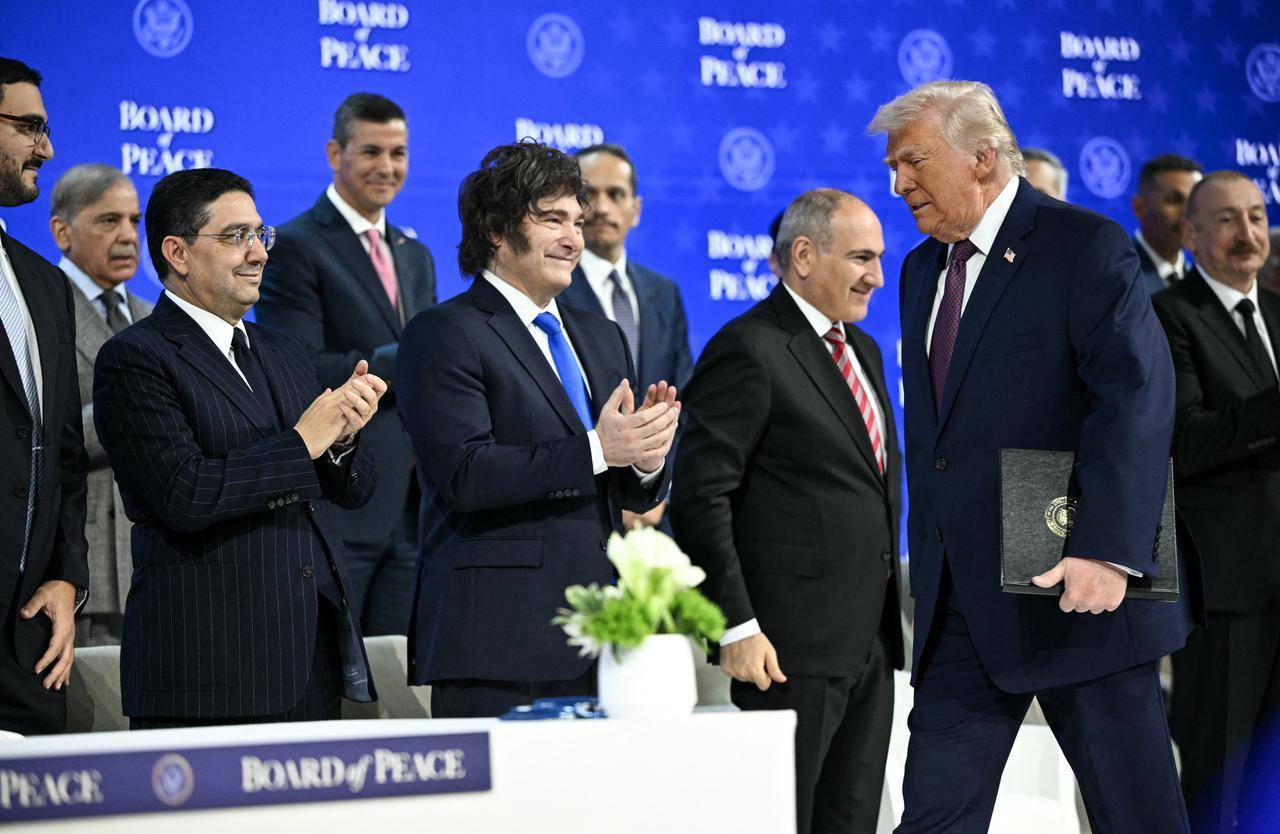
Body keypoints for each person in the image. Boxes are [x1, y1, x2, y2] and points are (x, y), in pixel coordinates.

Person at [868, 80, 1194, 833]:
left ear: (982, 158)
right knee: (933, 818)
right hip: (960, 602)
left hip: (1078, 586)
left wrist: (1107, 551)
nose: (898, 184)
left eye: (914, 162)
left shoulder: (1083, 246)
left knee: (1136, 817)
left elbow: (1135, 401)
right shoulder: (921, 271)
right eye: (892, 168)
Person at [398, 141, 679, 719]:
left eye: (576, 221)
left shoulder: (601, 336)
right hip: (497, 642)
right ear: (497, 231)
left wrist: (646, 460)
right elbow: (465, 474)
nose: (575, 238)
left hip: (602, 636)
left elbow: (620, 488)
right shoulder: (444, 333)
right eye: (552, 220)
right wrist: (599, 448)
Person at [93, 168, 383, 727]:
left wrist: (343, 437)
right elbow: (185, 493)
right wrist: (304, 442)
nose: (259, 253)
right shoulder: (136, 357)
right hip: (208, 668)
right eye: (236, 237)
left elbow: (355, 490)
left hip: (310, 658)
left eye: (260, 234)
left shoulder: (284, 350)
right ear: (177, 253)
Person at [670, 188, 903, 834]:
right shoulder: (748, 348)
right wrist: (735, 625)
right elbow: (700, 496)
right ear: (804, 255)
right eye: (861, 258)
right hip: (785, 651)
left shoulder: (864, 350)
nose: (877, 277)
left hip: (869, 645)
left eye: (879, 259)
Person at [257, 93, 436, 637]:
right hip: (344, 495)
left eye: (398, 153)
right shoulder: (295, 245)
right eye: (371, 151)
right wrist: (412, 353)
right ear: (335, 154)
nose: (387, 167)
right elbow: (300, 367)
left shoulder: (415, 253)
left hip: (417, 503)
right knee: (338, 664)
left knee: (401, 669)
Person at [1152, 171, 1279, 833]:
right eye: (1227, 220)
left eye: (1256, 216)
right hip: (1224, 588)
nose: (1247, 233)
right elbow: (1184, 439)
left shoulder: (1278, 312)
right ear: (1191, 232)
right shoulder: (1169, 315)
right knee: (1218, 768)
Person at [0, 57, 88, 736]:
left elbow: (63, 452)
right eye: (29, 127)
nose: (47, 149)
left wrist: (65, 576)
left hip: (27, 637)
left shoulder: (44, 282)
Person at [561, 143, 693, 530]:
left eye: (615, 194)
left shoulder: (663, 292)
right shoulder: (551, 290)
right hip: (579, 510)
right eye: (589, 194)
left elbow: (683, 401)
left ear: (635, 209)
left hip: (654, 513)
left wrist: (656, 486)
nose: (601, 207)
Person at [48, 164, 152, 647]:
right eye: (109, 221)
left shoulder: (152, 315)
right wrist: (131, 410)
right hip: (77, 564)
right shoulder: (39, 306)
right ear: (62, 232)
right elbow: (36, 426)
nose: (128, 235)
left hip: (153, 563)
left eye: (134, 221)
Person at [1132, 154, 1203, 293]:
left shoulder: (1200, 281)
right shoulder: (1116, 273)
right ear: (1140, 208)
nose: (1188, 213)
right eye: (1175, 200)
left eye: (1194, 202)